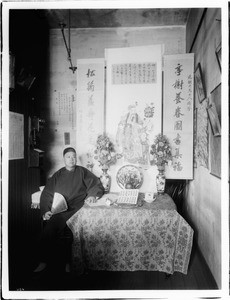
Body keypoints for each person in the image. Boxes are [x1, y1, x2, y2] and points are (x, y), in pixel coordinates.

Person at [33, 147, 104, 273]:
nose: (72, 159)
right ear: (64, 159)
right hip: (60, 208)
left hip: (77, 206)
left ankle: (69, 262)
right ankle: (43, 261)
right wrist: (46, 210)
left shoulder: (82, 171)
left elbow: (95, 184)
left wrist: (92, 195)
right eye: (68, 157)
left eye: (74, 156)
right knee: (49, 229)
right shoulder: (58, 175)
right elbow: (47, 193)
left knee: (72, 231)